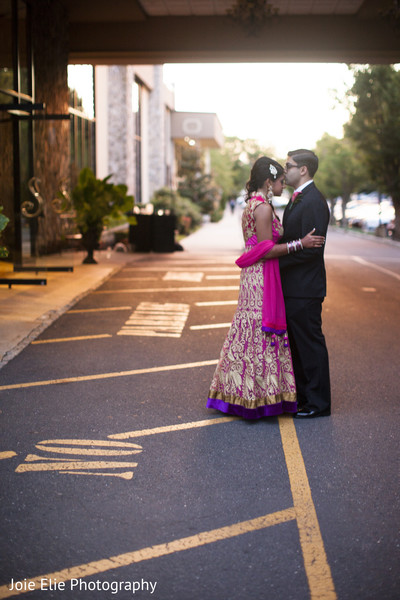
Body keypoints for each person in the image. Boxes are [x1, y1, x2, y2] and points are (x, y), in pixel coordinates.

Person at [206, 156, 325, 419]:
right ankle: (254, 397)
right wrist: (300, 244)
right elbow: (265, 250)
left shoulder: (253, 203)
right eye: (281, 181)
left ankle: (244, 392)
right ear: (269, 182)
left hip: (255, 275)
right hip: (261, 275)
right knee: (258, 334)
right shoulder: (262, 208)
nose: (284, 185)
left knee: (249, 332)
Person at [279, 149, 331, 418]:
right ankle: (304, 398)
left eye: (288, 165)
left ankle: (318, 404)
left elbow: (312, 249)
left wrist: (275, 262)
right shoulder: (297, 198)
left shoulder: (313, 201)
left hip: (305, 289)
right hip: (295, 287)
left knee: (310, 345)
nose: (283, 170)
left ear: (303, 170)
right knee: (298, 346)